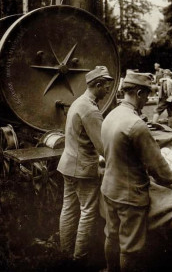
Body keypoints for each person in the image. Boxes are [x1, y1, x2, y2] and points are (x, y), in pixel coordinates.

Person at [101, 71, 172, 272]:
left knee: (111, 235)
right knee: (130, 247)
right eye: (147, 95)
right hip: (129, 196)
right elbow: (157, 166)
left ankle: (110, 269)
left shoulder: (111, 115)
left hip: (109, 188)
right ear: (138, 93)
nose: (147, 99)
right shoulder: (136, 125)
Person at [57, 66, 114, 264]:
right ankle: (80, 259)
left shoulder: (78, 102)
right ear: (97, 85)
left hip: (68, 164)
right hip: (82, 169)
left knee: (69, 209)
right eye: (106, 86)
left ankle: (65, 253)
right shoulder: (90, 110)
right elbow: (103, 146)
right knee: (88, 211)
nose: (108, 90)